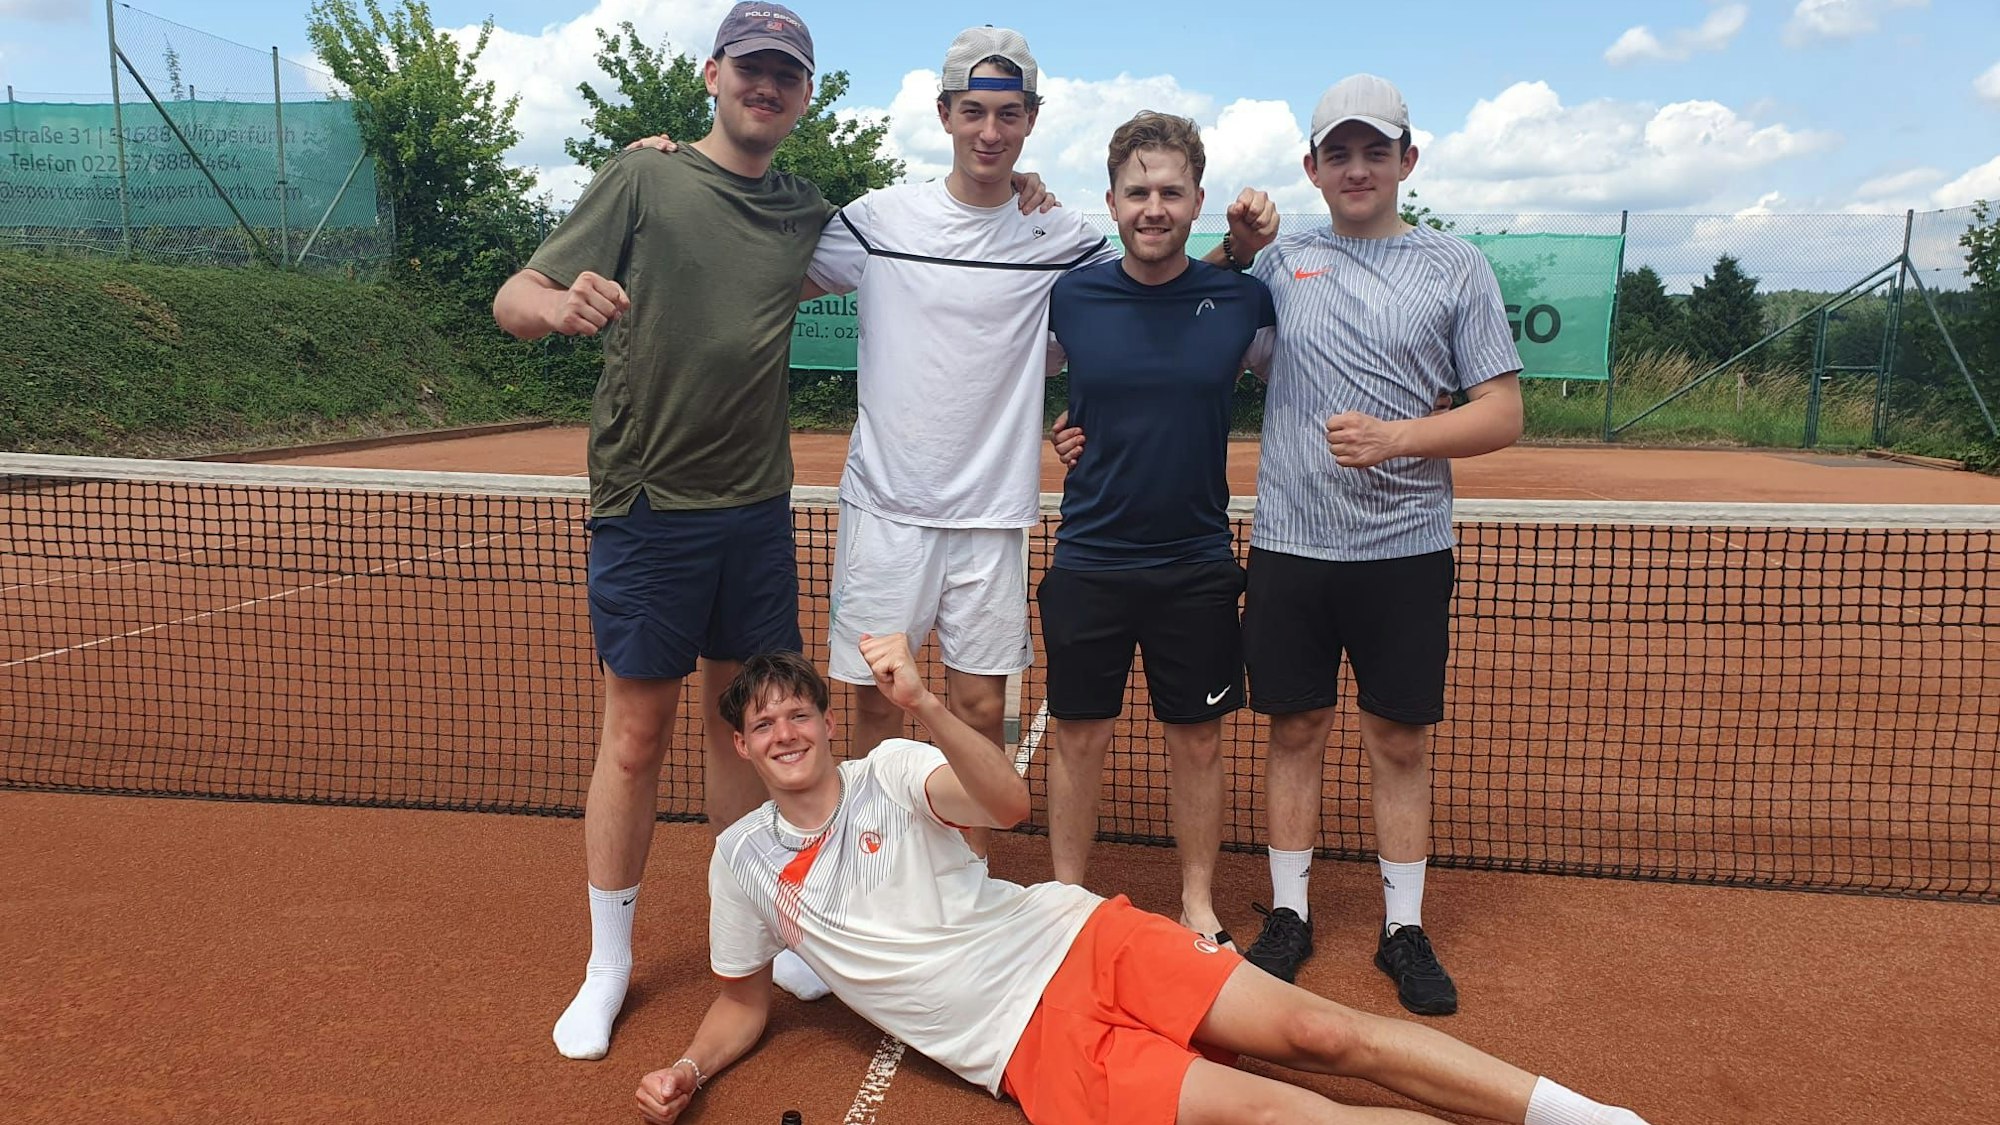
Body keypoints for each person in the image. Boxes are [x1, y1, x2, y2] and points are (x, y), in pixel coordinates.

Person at [632, 638, 1651, 1125]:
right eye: (761, 722)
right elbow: (737, 998)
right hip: (1024, 1046)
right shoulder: (742, 864)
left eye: (797, 713)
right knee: (1276, 1115)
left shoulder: (888, 772)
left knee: (1321, 1034)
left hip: (1074, 941)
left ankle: (1594, 1121)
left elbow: (1003, 806)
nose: (784, 732)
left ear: (820, 720)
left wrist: (927, 707)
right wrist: (690, 1068)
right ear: (740, 743)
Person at [803, 27, 1277, 869]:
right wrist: (682, 169)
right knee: (872, 709)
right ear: (945, 114)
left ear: (1030, 122)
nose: (991, 131)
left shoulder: (1060, 236)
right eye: (975, 111)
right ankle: (860, 878)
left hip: (993, 517)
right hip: (885, 510)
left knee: (980, 711)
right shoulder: (877, 221)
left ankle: (964, 876)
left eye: (1009, 114)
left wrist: (1237, 251)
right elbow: (762, 265)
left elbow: (1161, 287)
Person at [491, 1, 834, 1061]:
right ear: (712, 74)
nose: (765, 86)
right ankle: (609, 966)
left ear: (802, 94)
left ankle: (750, 935)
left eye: (785, 73)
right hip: (646, 508)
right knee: (635, 737)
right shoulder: (641, 177)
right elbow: (515, 293)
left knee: (747, 736)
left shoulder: (805, 210)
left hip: (754, 512)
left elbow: (935, 230)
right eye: (750, 67)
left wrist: (1029, 195)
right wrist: (557, 309)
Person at [1232, 74, 1526, 1016]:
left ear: (1408, 158)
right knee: (1295, 730)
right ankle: (1289, 914)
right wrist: (1235, 245)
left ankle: (1403, 928)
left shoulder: (1458, 267)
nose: (1357, 168)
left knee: (1399, 739)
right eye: (1338, 152)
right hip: (1290, 545)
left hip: (1405, 549)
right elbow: (1183, 329)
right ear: (1312, 168)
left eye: (1376, 150)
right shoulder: (1279, 268)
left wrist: (1399, 436)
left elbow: (1503, 412)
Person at [1038, 111, 1275, 951]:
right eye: (1138, 190)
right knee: (1078, 735)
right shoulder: (1073, 294)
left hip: (1196, 563)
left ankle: (1199, 900)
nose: (1153, 206)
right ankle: (1067, 897)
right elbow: (999, 376)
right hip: (1090, 558)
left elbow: (1308, 380)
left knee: (1198, 740)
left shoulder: (1243, 299)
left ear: (1197, 200)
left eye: (1171, 191)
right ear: (1111, 201)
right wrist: (1047, 428)